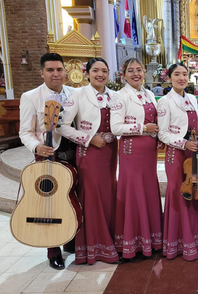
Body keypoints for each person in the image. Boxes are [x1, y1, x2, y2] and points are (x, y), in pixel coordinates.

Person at [19, 53, 80, 270]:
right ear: (42, 72)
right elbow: (25, 131)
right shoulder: (30, 96)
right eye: (50, 70)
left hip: (75, 153)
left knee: (74, 199)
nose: (56, 74)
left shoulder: (76, 93)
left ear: (66, 71)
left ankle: (72, 238)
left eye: (59, 69)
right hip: (48, 153)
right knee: (51, 204)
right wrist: (36, 146)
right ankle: (53, 250)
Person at [57, 57, 119, 265]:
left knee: (109, 196)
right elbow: (63, 126)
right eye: (95, 71)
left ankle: (111, 241)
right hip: (89, 153)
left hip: (110, 152)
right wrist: (89, 139)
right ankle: (94, 248)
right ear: (88, 73)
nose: (100, 74)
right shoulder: (78, 94)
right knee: (92, 198)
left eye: (104, 70)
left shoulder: (115, 96)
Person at [110, 58, 163, 259]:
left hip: (149, 152)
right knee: (134, 192)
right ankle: (133, 243)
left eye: (139, 70)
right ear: (123, 75)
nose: (136, 74)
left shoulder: (148, 93)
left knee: (148, 190)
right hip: (131, 151)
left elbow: (154, 121)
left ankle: (152, 239)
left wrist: (156, 136)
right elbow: (116, 128)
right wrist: (143, 129)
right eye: (130, 70)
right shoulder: (119, 96)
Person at [157, 63, 198, 261]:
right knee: (179, 193)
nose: (181, 78)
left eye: (185, 74)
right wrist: (183, 143)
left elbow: (196, 127)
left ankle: (193, 238)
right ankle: (177, 242)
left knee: (193, 192)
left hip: (192, 153)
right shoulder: (164, 102)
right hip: (176, 154)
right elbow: (163, 133)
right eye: (176, 74)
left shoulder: (192, 98)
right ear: (169, 78)